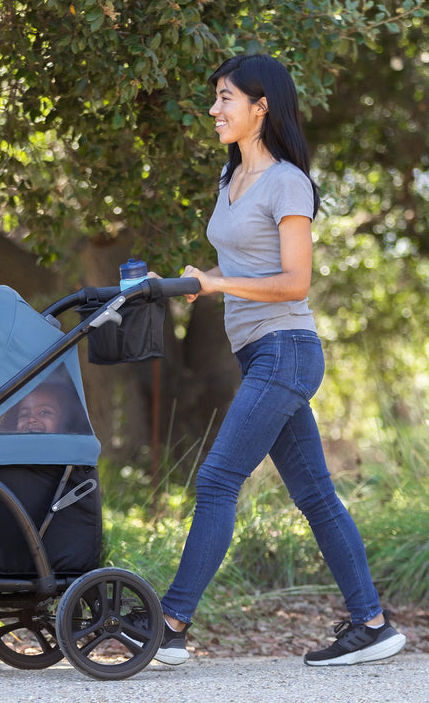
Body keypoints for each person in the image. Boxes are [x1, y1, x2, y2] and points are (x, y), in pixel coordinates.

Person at [139, 54, 406, 667]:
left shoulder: (288, 182)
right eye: (215, 97)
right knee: (315, 495)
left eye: (226, 97)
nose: (214, 108)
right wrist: (179, 283)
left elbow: (293, 284)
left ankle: (173, 623)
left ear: (262, 107)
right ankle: (372, 624)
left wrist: (213, 283)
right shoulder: (230, 182)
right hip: (260, 353)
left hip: (286, 349)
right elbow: (230, 269)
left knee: (216, 481)